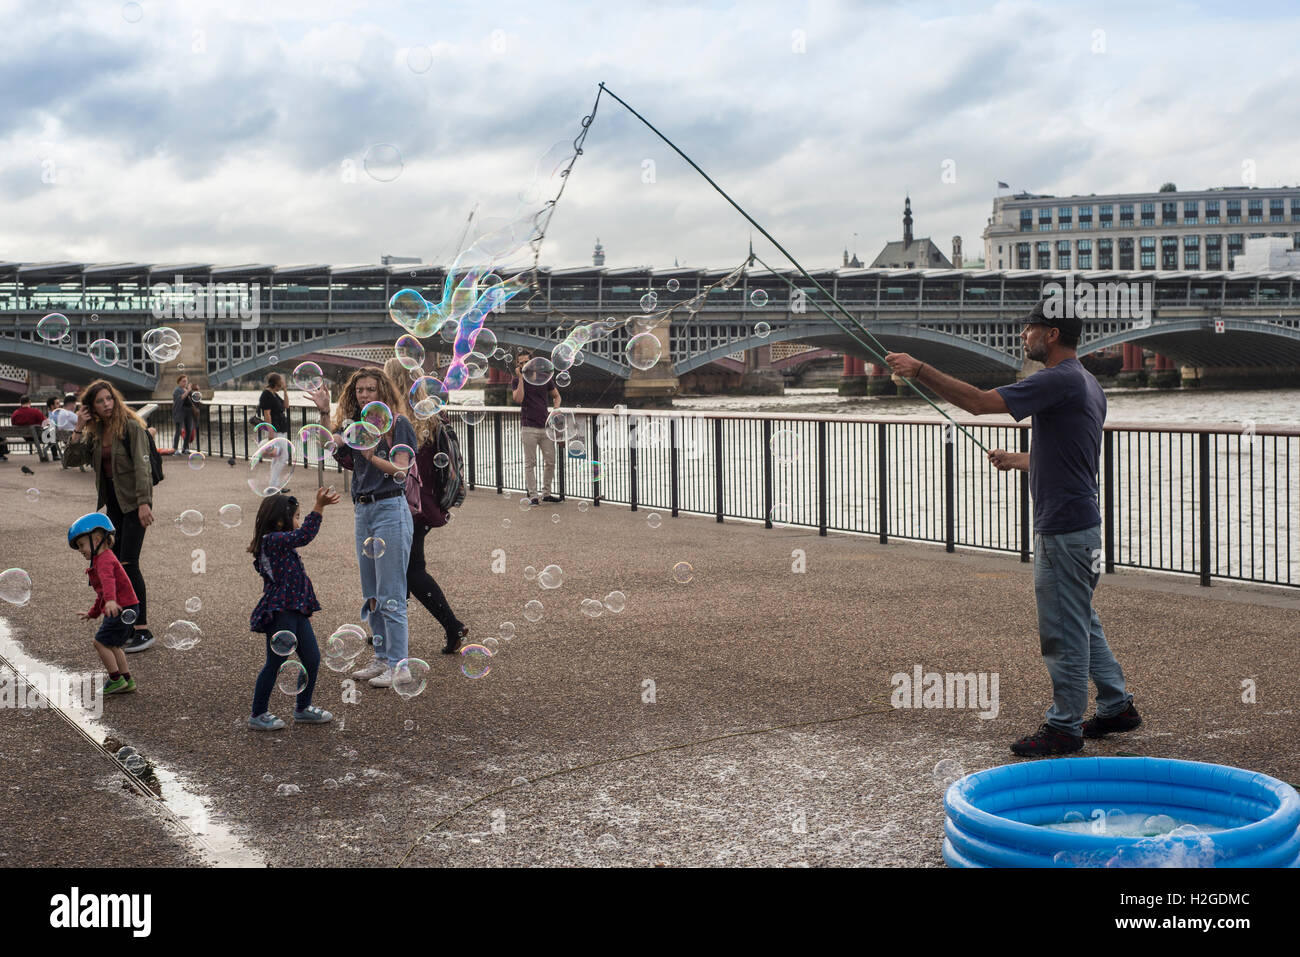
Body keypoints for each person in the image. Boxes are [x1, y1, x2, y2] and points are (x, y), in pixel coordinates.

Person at [884, 299, 1138, 758]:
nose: (1023, 337)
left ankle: (1063, 728)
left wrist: (919, 368)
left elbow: (978, 404)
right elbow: (1073, 455)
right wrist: (1022, 460)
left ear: (1052, 334)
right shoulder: (1087, 382)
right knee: (1081, 619)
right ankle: (1117, 706)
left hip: (1063, 527)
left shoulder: (1055, 378)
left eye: (1028, 329)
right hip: (1083, 523)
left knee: (1062, 629)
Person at [306, 367, 415, 688]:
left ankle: (400, 665)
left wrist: (371, 455)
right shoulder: (356, 426)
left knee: (391, 592)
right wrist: (325, 412)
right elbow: (331, 445)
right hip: (363, 510)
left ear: (383, 392)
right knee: (371, 595)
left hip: (390, 508)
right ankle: (381, 658)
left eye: (370, 389)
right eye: (359, 390)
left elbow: (401, 471)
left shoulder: (399, 424)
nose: (364, 394)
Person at [62, 380, 157, 653]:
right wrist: (78, 428)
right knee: (118, 563)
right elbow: (72, 460)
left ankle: (142, 629)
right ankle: (129, 625)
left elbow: (142, 467)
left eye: (109, 399)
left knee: (129, 562)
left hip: (133, 502)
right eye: (100, 401)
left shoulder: (131, 426)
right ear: (91, 407)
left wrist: (144, 503)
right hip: (113, 504)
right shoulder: (96, 430)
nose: (107, 404)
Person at [384, 357, 469, 655]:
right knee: (403, 566)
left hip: (406, 505)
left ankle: (452, 624)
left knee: (410, 569)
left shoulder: (396, 419)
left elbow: (401, 469)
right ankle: (387, 628)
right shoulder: (432, 415)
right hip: (426, 504)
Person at [247, 487, 339, 731]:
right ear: (279, 522)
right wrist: (318, 507)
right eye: (296, 516)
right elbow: (305, 536)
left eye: (299, 516)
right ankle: (258, 713)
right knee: (275, 662)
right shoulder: (272, 541)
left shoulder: (280, 543)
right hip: (281, 612)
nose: (298, 522)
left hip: (296, 609)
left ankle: (302, 708)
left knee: (312, 658)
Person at [68, 513, 141, 695]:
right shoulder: (103, 559)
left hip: (120, 607)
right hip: (129, 607)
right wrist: (93, 613)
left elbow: (109, 583)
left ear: (97, 539)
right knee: (113, 645)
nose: (80, 550)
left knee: (99, 643)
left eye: (82, 545)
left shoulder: (104, 560)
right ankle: (127, 680)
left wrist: (110, 600)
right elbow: (101, 594)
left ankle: (115, 680)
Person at [511, 350, 562, 506]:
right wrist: (520, 378)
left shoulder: (544, 378)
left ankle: (546, 493)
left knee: (551, 462)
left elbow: (557, 396)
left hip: (546, 427)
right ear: (518, 365)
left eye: (527, 361)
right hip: (528, 427)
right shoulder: (517, 381)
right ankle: (533, 496)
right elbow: (518, 399)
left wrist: (555, 410)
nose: (524, 364)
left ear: (533, 362)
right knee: (530, 463)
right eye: (521, 363)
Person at [171, 374, 198, 453]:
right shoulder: (177, 390)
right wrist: (188, 391)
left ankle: (185, 448)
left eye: (186, 381)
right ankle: (175, 449)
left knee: (189, 430)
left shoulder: (187, 390)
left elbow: (194, 398)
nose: (185, 383)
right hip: (179, 412)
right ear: (179, 382)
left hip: (188, 411)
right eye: (183, 381)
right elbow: (180, 398)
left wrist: (196, 391)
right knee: (178, 430)